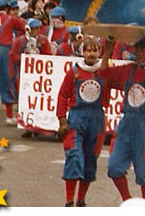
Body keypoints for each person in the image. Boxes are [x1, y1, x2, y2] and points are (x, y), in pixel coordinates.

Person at [102, 35, 145, 202]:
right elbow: (104, 75)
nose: (137, 52)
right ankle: (128, 201)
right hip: (126, 124)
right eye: (137, 48)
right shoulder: (129, 70)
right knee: (114, 167)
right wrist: (108, 51)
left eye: (141, 49)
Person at [57, 36, 111, 207]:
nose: (91, 54)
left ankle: (81, 200)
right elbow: (62, 95)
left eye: (95, 50)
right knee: (74, 157)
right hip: (76, 117)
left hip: (96, 118)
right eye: (88, 50)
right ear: (82, 52)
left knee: (90, 158)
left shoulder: (103, 72)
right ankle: (68, 201)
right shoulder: (74, 72)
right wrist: (62, 120)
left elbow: (107, 97)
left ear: (99, 52)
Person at [9, 18, 52, 117]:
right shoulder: (19, 41)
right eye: (35, 28)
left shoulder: (43, 40)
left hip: (40, 72)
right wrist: (23, 58)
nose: (38, 30)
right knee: (22, 91)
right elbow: (12, 56)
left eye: (39, 28)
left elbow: (48, 55)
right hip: (23, 71)